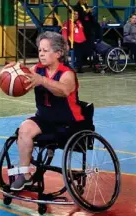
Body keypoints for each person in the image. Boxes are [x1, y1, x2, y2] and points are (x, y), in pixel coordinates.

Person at [5, 31, 90, 191]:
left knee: (39, 125)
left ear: (58, 53)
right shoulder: (37, 69)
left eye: (45, 50)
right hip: (45, 119)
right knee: (24, 129)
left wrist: (42, 80)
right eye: (39, 51)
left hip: (69, 123)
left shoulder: (67, 73)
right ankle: (25, 175)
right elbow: (22, 78)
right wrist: (13, 71)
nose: (41, 54)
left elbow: (64, 90)